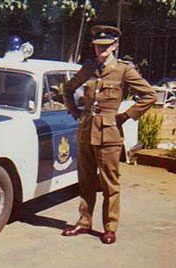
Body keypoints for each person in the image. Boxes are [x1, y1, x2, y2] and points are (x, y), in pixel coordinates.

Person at [62, 25, 157, 244]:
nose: (100, 50)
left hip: (109, 134)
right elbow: (67, 89)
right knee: (85, 180)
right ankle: (84, 222)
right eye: (97, 46)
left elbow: (149, 95)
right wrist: (76, 112)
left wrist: (125, 116)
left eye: (105, 46)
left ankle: (109, 227)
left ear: (114, 46)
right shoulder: (88, 68)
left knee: (109, 183)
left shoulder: (124, 70)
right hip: (86, 130)